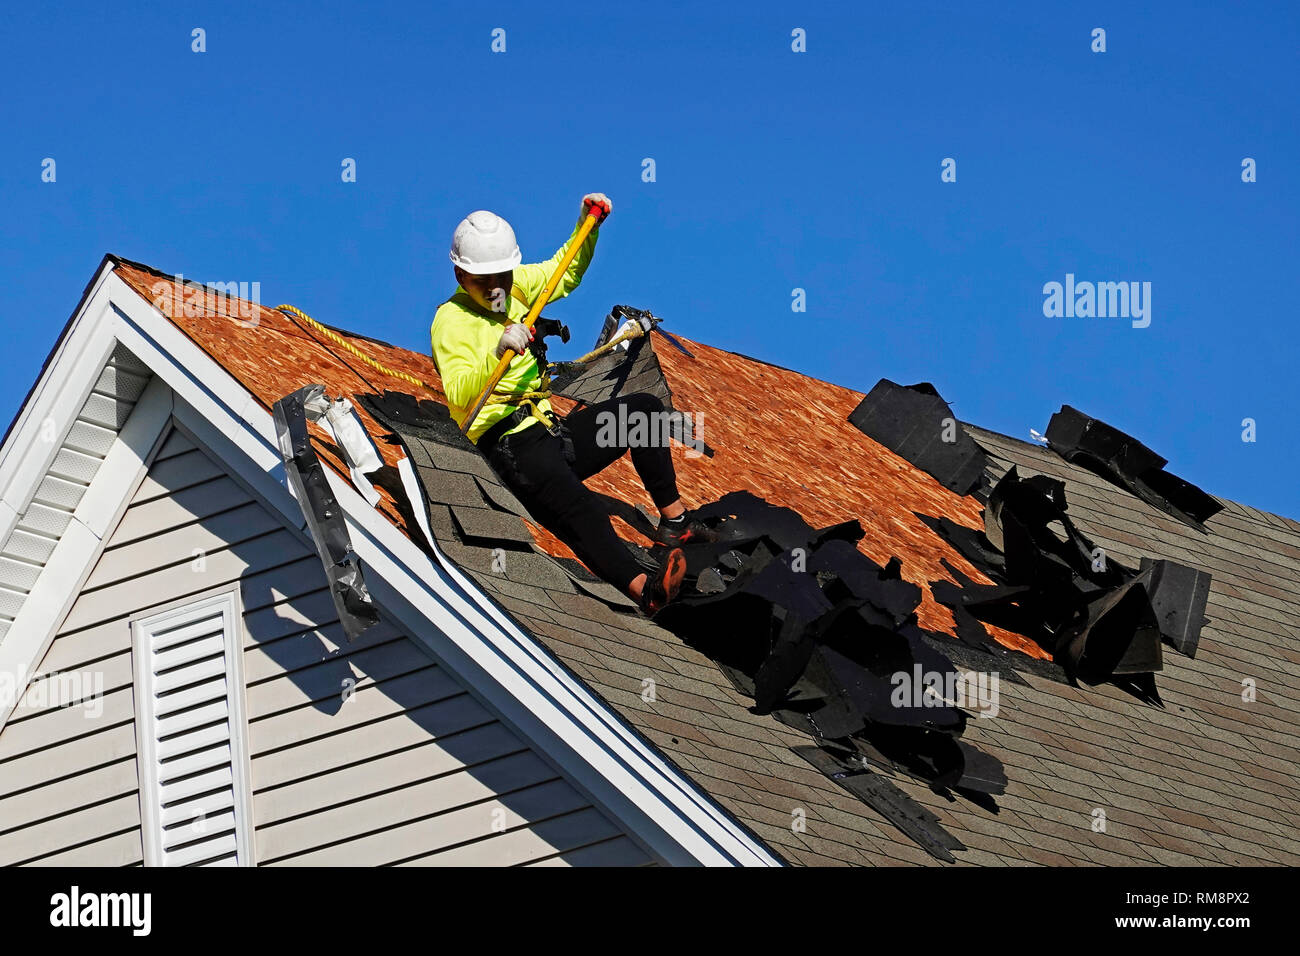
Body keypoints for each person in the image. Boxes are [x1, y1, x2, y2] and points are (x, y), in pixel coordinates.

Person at [430, 194, 710, 615]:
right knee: (585, 509)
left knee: (644, 413)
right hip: (508, 443)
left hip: (549, 430)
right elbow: (459, 392)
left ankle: (675, 523)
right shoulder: (450, 321)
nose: (496, 290)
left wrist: (588, 225)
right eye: (485, 283)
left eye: (502, 278)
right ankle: (646, 593)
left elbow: (566, 272)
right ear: (460, 274)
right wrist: (495, 351)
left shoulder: (516, 285)